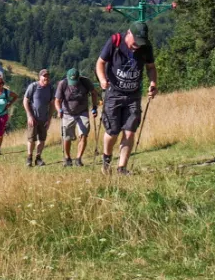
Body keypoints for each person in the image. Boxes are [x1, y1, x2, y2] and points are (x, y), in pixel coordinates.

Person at [96, 22, 158, 176]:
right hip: (114, 93)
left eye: (141, 42)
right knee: (112, 131)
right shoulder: (115, 41)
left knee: (130, 132)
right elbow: (100, 63)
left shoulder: (146, 47)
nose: (137, 45)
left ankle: (121, 168)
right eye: (135, 41)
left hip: (133, 95)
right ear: (128, 34)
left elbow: (151, 68)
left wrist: (153, 83)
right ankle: (107, 160)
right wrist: (102, 79)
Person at [55, 67, 99, 167]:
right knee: (67, 137)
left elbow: (94, 93)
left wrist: (94, 107)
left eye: (75, 81)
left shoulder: (85, 82)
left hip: (82, 111)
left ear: (79, 78)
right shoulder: (63, 84)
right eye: (72, 82)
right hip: (67, 113)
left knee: (84, 134)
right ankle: (67, 158)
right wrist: (59, 110)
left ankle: (78, 159)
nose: (73, 84)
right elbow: (57, 100)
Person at [23, 69, 56, 167]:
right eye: (44, 76)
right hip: (33, 118)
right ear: (40, 77)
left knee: (42, 139)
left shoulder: (50, 88)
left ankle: (38, 158)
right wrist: (29, 116)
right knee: (31, 139)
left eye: (47, 76)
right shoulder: (33, 86)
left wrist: (49, 119)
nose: (46, 78)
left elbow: (52, 104)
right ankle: (29, 158)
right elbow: (25, 101)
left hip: (44, 118)